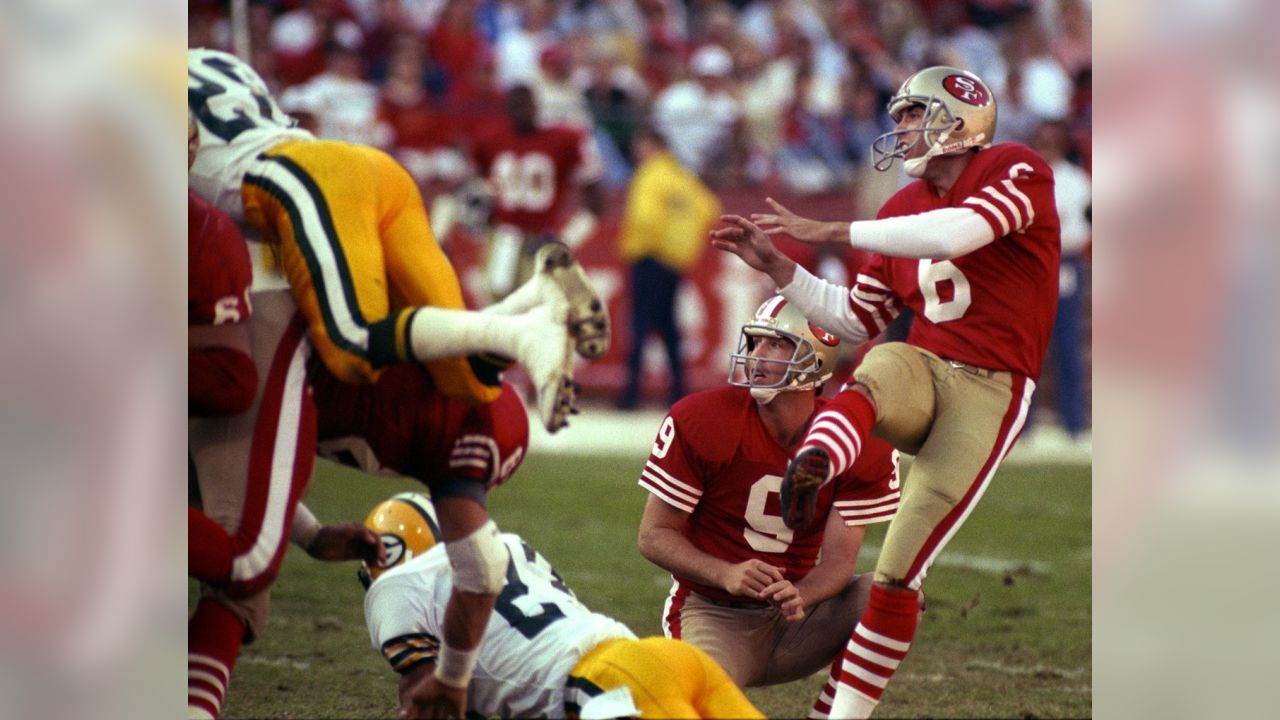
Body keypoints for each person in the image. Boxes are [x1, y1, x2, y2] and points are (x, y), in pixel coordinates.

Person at [711, 66, 1060, 718]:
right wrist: (782, 267)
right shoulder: (899, 208)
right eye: (897, 115)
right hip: (924, 366)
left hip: (991, 391)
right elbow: (854, 319)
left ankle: (839, 716)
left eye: (912, 113)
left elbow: (955, 233)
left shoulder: (1016, 167)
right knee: (882, 359)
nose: (898, 128)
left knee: (900, 575)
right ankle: (816, 462)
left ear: (961, 121)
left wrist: (836, 231)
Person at [188, 47, 607, 433]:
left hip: (307, 180)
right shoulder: (218, 62)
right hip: (377, 170)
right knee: (462, 374)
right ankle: (535, 303)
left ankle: (527, 332)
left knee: (352, 343)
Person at [635, 297, 901, 701]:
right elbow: (653, 535)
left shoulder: (855, 443)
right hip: (712, 611)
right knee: (702, 703)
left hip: (797, 618)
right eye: (755, 343)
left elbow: (840, 562)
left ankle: (834, 714)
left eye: (775, 344)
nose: (756, 356)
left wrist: (803, 594)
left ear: (817, 358)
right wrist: (725, 572)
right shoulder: (703, 420)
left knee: (894, 597)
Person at [360, 493, 765, 720]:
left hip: (607, 685)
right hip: (663, 658)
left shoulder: (398, 584)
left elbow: (429, 698)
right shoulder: (507, 547)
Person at [469, 84, 605, 304]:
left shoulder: (564, 139)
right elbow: (477, 185)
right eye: (515, 104)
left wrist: (567, 238)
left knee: (539, 305)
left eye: (525, 104)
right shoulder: (490, 139)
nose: (520, 110)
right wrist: (484, 223)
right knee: (496, 303)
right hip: (504, 235)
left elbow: (596, 197)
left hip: (542, 237)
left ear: (537, 106)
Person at [616, 126, 721, 408]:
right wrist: (683, 242)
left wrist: (641, 244)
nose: (637, 151)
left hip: (649, 257)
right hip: (674, 262)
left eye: (641, 144)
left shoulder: (649, 175)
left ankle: (630, 395)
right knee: (669, 328)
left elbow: (644, 217)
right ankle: (677, 390)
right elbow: (710, 209)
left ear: (652, 145)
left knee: (640, 325)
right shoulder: (682, 177)